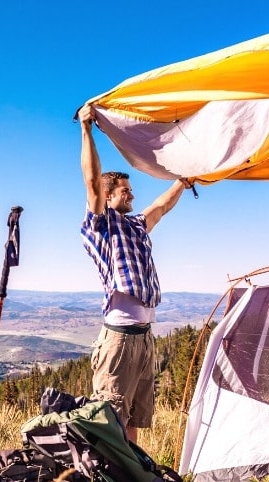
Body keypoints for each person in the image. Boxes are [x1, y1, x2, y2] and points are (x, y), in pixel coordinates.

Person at [76, 103, 193, 444]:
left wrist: (183, 181)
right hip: (120, 338)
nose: (132, 194)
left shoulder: (137, 226)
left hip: (143, 338)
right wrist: (86, 131)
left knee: (135, 420)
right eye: (125, 191)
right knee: (110, 418)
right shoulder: (101, 226)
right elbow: (91, 183)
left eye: (131, 190)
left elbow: (161, 206)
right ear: (109, 196)